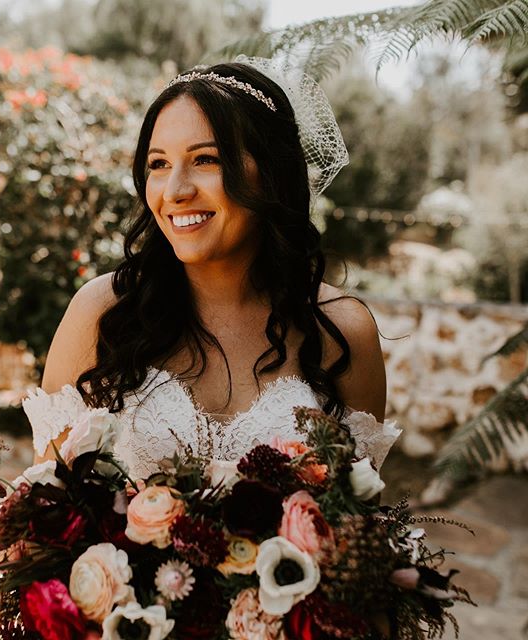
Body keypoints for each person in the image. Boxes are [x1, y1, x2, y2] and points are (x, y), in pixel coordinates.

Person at [26, 60, 398, 479]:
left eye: (205, 160)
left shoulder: (341, 329)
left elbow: (359, 527)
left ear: (272, 173)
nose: (176, 191)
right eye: (159, 164)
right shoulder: (102, 313)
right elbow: (45, 512)